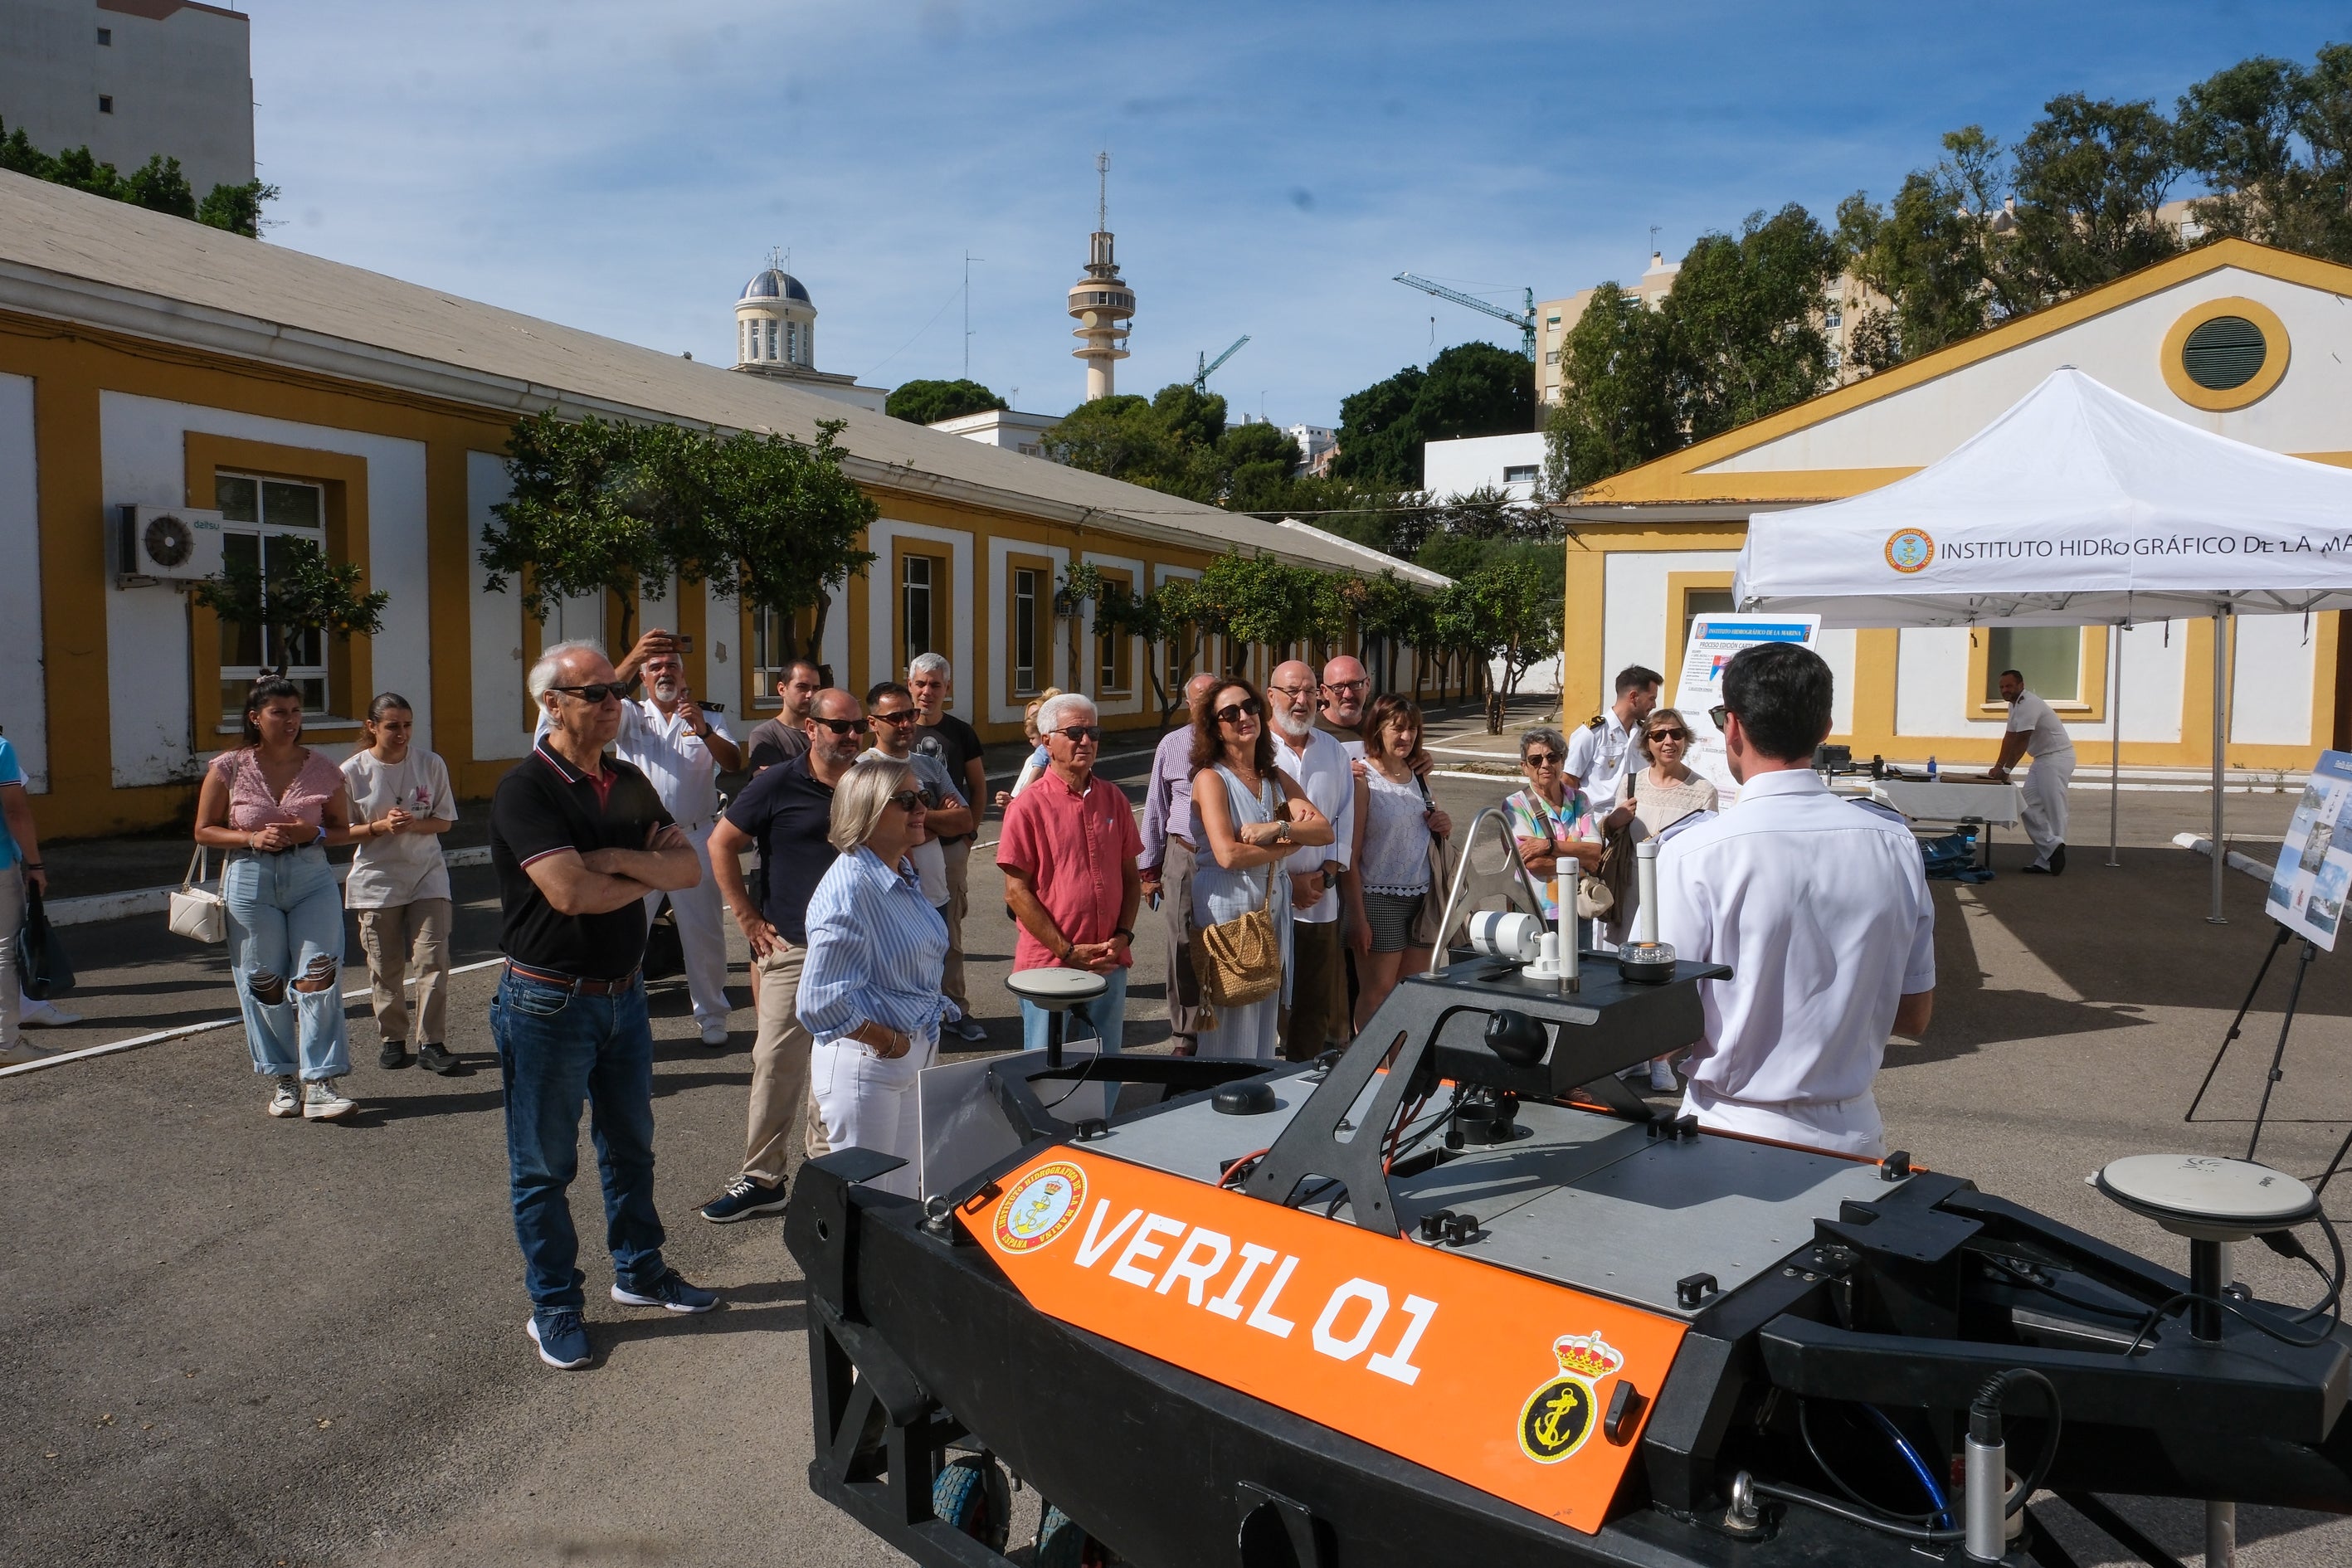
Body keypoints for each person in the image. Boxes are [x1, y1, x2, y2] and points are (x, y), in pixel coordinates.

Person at [491, 640, 718, 1371]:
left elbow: (687, 867)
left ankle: (640, 1272)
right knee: (544, 1168)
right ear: (551, 704)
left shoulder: (623, 780)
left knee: (630, 1148)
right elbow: (567, 893)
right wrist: (633, 872)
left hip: (624, 997)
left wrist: (615, 859)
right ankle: (553, 1304)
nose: (614, 701)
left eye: (616, 689)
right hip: (547, 1002)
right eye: (595, 692)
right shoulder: (527, 789)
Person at [1657, 644, 1936, 1157]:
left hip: (1731, 1127)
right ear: (1825, 728)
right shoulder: (1894, 844)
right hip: (1852, 1126)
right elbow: (1912, 1015)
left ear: (1733, 727)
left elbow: (1660, 1028)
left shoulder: (1694, 852)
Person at [699, 688, 865, 1223]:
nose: (852, 736)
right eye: (840, 727)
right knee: (774, 1062)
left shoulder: (871, 783)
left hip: (857, 949)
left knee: (837, 1065)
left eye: (858, 726)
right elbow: (721, 844)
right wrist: (747, 918)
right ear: (812, 728)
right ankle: (762, 1176)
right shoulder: (777, 782)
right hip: (792, 947)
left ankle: (824, 1172)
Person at [192, 677, 363, 1121]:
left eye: (295, 712)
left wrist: (316, 832)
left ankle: (321, 1082)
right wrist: (250, 837)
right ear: (255, 718)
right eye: (279, 713)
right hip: (250, 880)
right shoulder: (228, 766)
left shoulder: (325, 768)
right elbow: (203, 830)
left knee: (319, 972)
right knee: (262, 980)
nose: (290, 721)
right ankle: (284, 1079)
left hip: (310, 877)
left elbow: (342, 831)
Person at [797, 757, 952, 1198]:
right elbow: (816, 1002)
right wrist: (886, 1040)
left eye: (921, 797)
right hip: (869, 1063)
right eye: (905, 801)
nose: (921, 807)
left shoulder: (898, 872)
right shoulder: (850, 890)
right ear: (866, 813)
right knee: (871, 1205)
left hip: (907, 1056)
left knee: (902, 1197)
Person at [1189, 679, 1333, 1061]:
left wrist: (1279, 829)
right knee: (1231, 1015)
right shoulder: (1210, 779)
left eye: (1249, 707)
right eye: (1229, 713)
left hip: (1269, 903)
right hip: (1227, 903)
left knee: (1263, 1020)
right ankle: (1219, 1104)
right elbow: (1228, 855)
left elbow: (1322, 830)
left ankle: (1251, 1101)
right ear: (1214, 726)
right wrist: (1287, 849)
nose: (1243, 717)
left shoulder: (1274, 778)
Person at [607, 642, 741, 1046]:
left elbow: (735, 763)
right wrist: (630, 658)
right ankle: (616, 1015)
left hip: (695, 834)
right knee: (627, 929)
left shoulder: (708, 715)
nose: (665, 672)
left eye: (672, 666)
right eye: (655, 667)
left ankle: (713, 1014)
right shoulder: (628, 715)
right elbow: (603, 692)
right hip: (642, 840)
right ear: (643, 678)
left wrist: (702, 728)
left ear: (684, 676)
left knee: (703, 931)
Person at [1000, 693, 1143, 1054]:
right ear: (1047, 740)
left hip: (1108, 961)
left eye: (1093, 732)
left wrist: (1123, 935)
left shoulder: (1114, 799)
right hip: (1050, 966)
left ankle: (1102, 1116)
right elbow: (1016, 893)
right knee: (1046, 1068)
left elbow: (1130, 877)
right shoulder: (1028, 806)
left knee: (1104, 1062)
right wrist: (1066, 950)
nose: (1087, 740)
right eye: (1075, 731)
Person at [341, 693, 461, 1075]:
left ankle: (432, 1042)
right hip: (377, 880)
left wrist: (412, 824)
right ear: (372, 727)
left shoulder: (430, 763)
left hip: (428, 874)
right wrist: (379, 827)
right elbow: (341, 831)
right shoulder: (352, 772)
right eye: (392, 726)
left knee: (432, 959)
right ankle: (393, 1039)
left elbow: (443, 821)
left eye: (407, 725)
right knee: (385, 965)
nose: (402, 733)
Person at [1611, 709, 1717, 1092]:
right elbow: (1609, 834)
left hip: (1675, 894)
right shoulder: (1632, 782)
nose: (1668, 741)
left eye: (1675, 734)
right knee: (1631, 978)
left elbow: (1708, 849)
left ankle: (1662, 1058)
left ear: (1686, 739)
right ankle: (1636, 1056)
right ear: (1647, 744)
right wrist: (1615, 819)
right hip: (1633, 892)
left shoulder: (1702, 790)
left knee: (1669, 979)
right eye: (1658, 736)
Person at [1341, 695, 1452, 1032]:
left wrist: (1443, 823)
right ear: (1378, 729)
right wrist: (1358, 918)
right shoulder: (1363, 779)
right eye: (1398, 728)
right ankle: (1372, 1075)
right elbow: (1352, 854)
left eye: (1413, 729)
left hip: (1423, 899)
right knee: (1377, 994)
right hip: (1378, 899)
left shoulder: (1418, 775)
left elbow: (1429, 827)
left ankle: (1400, 1074)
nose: (1406, 737)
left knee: (1411, 994)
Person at [1267, 660, 1354, 1060]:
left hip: (1321, 899)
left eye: (1308, 692)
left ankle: (1303, 1076)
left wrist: (1328, 874)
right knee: (1265, 997)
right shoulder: (1256, 751)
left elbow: (1344, 817)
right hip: (1268, 897)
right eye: (1290, 692)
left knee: (1313, 1000)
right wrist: (1289, 881)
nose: (1300, 701)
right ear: (1271, 696)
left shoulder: (1332, 750)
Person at [908, 653, 991, 1045]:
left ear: (947, 689)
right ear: (910, 686)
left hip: (951, 846)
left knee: (948, 930)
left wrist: (969, 832)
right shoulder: (897, 728)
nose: (927, 692)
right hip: (906, 848)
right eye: (921, 684)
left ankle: (955, 1009)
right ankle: (912, 1007)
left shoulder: (960, 732)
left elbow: (977, 786)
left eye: (936, 685)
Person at [1139, 673, 1221, 1055]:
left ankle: (1225, 1027)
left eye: (1213, 697)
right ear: (1189, 704)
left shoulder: (1237, 741)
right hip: (1184, 853)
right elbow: (1156, 805)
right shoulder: (1172, 745)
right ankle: (1186, 1035)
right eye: (1199, 698)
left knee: (1229, 941)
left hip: (1232, 855)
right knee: (1182, 944)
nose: (1206, 704)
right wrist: (1148, 871)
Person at [863, 681, 973, 918]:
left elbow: (964, 821)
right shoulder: (863, 770)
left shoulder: (930, 765)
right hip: (890, 901)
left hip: (936, 898)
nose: (905, 724)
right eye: (895, 718)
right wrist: (936, 821)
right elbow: (874, 835)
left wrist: (910, 820)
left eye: (910, 714)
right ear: (873, 723)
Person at [1503, 726, 1629, 930]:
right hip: (1535, 911)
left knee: (1581, 962)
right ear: (1524, 767)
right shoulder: (1515, 805)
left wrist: (1548, 846)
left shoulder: (1579, 800)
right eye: (1535, 760)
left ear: (1562, 761)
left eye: (1552, 757)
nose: (1545, 765)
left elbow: (1594, 851)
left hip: (1579, 907)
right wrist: (1581, 864)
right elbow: (1533, 864)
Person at [0, 729, 56, 1068]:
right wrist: (35, 864)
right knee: (4, 950)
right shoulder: (1, 749)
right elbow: (16, 812)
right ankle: (5, 1041)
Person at [1987, 668, 2076, 875]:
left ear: (2021, 685)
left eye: (2009, 685)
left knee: (2055, 809)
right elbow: (2009, 737)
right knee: (2026, 806)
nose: (2005, 690)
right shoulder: (2014, 705)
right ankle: (2052, 848)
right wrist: (1999, 766)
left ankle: (2048, 861)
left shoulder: (2029, 703)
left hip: (2057, 757)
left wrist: (2007, 768)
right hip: (2042, 759)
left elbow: (2022, 739)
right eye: (2001, 687)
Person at [1565, 665, 1663, 805]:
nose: (1654, 705)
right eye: (1651, 698)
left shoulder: (1644, 734)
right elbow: (1569, 781)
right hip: (1598, 818)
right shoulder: (1592, 733)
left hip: (1637, 818)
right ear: (1633, 697)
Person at [744, 658, 822, 771]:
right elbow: (769, 783)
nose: (810, 694)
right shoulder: (765, 735)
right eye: (802, 687)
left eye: (816, 688)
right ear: (782, 689)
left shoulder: (826, 731)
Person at [998, 689, 1064, 805]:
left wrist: (1016, 803)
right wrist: (1010, 803)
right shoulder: (1032, 759)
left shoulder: (1050, 755)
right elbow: (1019, 795)